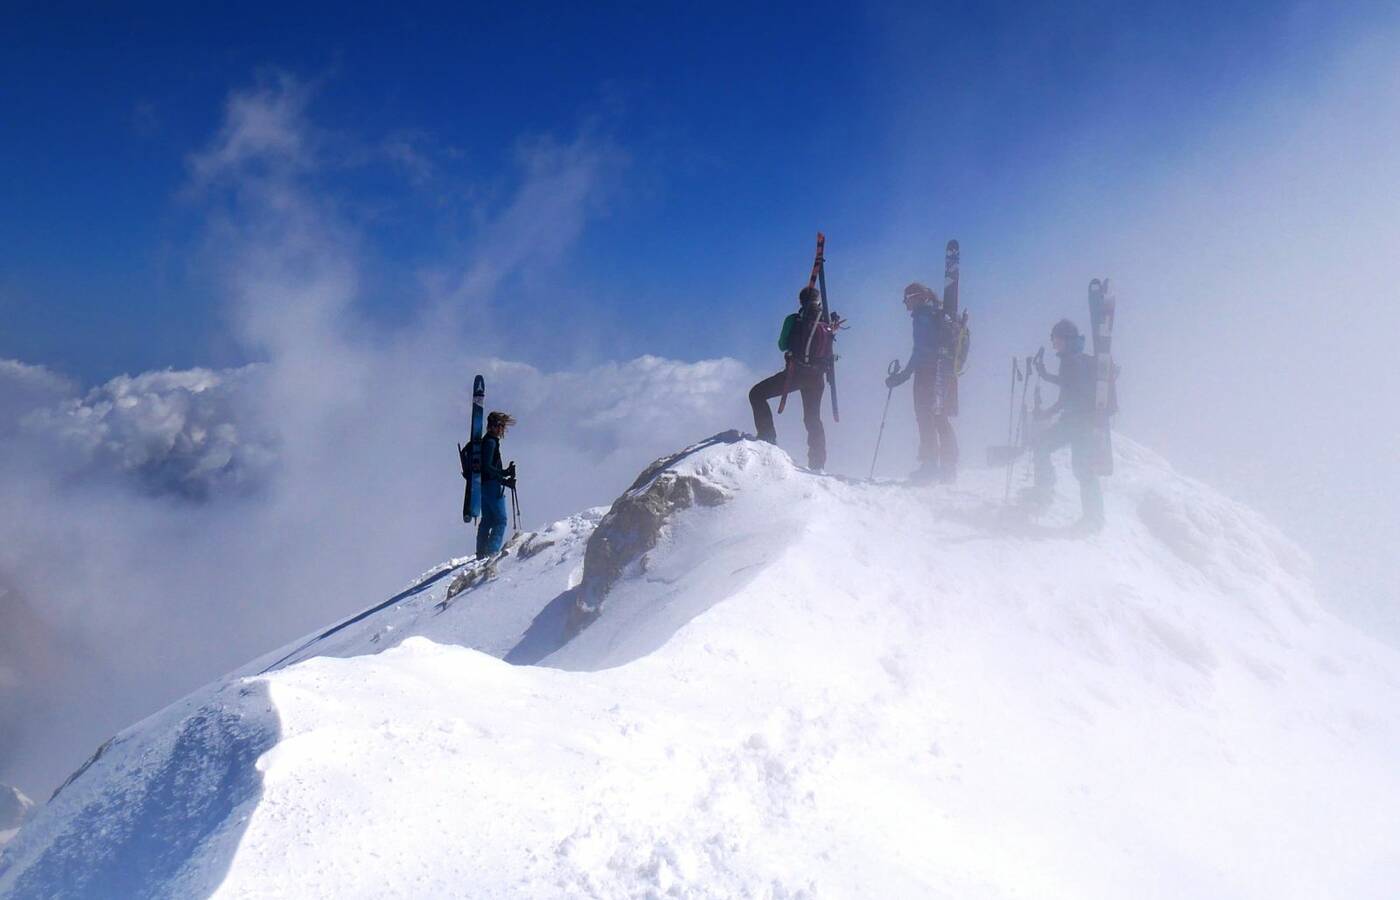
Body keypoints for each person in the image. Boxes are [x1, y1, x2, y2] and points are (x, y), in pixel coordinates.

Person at [749, 285, 841, 471]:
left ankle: (767, 437)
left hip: (795, 374)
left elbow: (782, 345)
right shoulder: (827, 323)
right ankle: (817, 464)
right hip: (817, 378)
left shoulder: (794, 319)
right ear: (818, 301)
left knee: (756, 394)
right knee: (812, 418)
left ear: (801, 301)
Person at [1025, 319, 1103, 530]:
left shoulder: (1070, 361)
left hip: (1076, 423)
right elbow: (1069, 386)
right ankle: (1094, 518)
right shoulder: (1078, 359)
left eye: (1055, 339)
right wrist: (1046, 375)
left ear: (1065, 339)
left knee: (1044, 447)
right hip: (1083, 422)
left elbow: (1066, 396)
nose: (1053, 344)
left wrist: (1046, 414)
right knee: (1083, 469)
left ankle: (1045, 492)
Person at [885, 282, 959, 482]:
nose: (905, 304)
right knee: (940, 418)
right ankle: (949, 468)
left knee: (925, 418)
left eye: (906, 299)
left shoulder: (922, 317)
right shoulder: (938, 314)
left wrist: (903, 375)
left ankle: (929, 466)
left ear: (916, 297)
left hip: (926, 374)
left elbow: (920, 351)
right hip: (945, 372)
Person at [477, 411, 517, 558]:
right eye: (501, 426)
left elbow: (488, 469)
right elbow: (487, 466)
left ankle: (481, 553)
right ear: (494, 427)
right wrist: (505, 473)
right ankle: (492, 552)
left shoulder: (487, 441)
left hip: (483, 485)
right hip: (491, 486)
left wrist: (505, 480)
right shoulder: (490, 442)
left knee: (487, 519)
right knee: (501, 520)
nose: (502, 430)